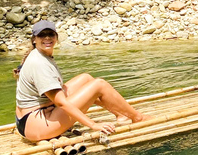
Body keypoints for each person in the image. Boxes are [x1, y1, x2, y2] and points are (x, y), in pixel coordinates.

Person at [15, 20, 151, 142]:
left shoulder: (39, 55)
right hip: (37, 125)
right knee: (99, 85)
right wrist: (93, 125)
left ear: (56, 37)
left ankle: (120, 115)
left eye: (50, 34)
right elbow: (61, 103)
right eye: (42, 35)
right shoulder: (39, 64)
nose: (47, 38)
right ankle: (138, 118)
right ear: (34, 39)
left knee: (86, 78)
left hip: (29, 119)